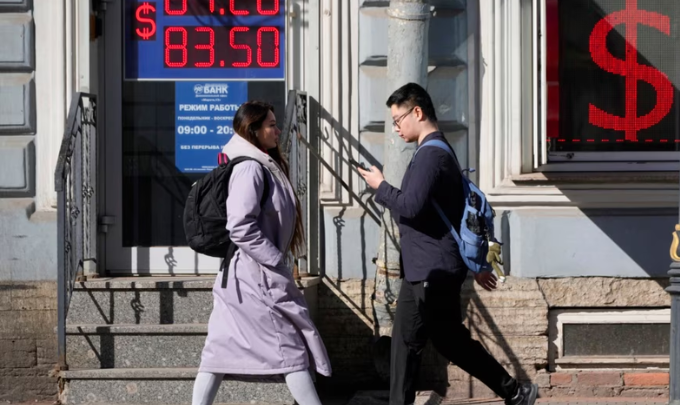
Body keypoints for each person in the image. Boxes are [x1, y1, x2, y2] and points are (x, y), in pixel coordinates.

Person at [357, 83, 538, 405]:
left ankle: (514, 390)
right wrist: (477, 265)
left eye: (398, 119)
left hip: (433, 269)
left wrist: (380, 186)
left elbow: (411, 206)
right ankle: (513, 391)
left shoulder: (431, 155)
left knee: (449, 341)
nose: (396, 128)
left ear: (418, 111)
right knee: (406, 343)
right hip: (425, 266)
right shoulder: (436, 151)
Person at [192, 101, 331, 405]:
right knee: (290, 348)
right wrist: (275, 260)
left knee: (218, 352)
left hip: (246, 277)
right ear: (253, 131)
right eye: (271, 124)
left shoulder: (262, 165)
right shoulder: (250, 169)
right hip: (255, 279)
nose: (277, 130)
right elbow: (240, 225)